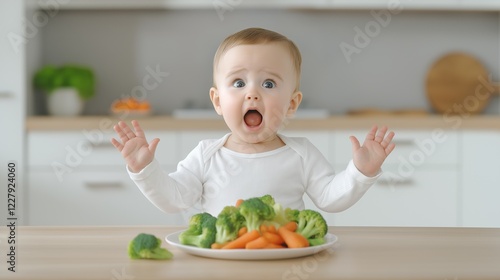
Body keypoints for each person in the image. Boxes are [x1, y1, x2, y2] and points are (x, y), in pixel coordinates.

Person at [111, 27, 395, 217]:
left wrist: (361, 171)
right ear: (218, 101)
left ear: (292, 104)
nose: (252, 93)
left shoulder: (301, 154)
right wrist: (145, 169)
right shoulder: (206, 155)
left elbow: (331, 198)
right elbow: (175, 199)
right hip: (222, 261)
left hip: (286, 258)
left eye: (269, 83)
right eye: (238, 82)